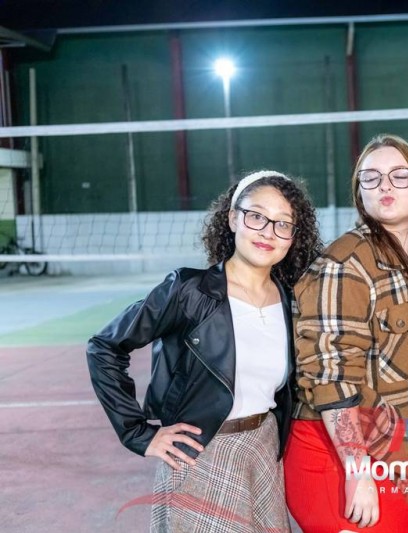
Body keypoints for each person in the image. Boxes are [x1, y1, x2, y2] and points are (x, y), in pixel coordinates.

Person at [86, 170, 322, 532]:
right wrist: (138, 433)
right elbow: (104, 347)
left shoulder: (292, 300)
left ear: (293, 237)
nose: (267, 232)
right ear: (233, 218)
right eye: (256, 216)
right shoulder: (189, 291)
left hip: (263, 449)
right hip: (202, 453)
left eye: (282, 224)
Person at [284, 134, 408, 532]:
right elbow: (330, 376)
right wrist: (357, 470)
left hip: (399, 446)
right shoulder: (344, 264)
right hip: (337, 454)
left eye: (399, 175)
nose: (384, 186)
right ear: (359, 191)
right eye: (371, 177)